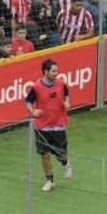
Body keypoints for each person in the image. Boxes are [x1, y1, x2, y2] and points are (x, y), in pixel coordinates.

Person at [25, 58, 72, 192]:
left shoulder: (61, 84)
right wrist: (33, 111)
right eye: (53, 71)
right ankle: (50, 180)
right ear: (46, 71)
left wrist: (67, 102)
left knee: (60, 155)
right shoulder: (36, 87)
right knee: (44, 155)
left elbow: (67, 95)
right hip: (42, 127)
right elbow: (28, 102)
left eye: (57, 70)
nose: (56, 73)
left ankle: (65, 163)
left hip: (58, 126)